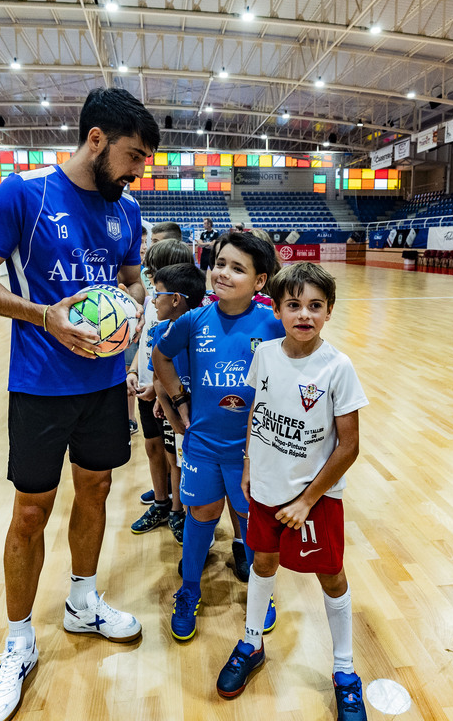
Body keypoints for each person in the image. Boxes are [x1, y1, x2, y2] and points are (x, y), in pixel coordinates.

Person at [0, 87, 159, 721]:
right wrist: (45, 315)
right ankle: (18, 641)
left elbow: (130, 277)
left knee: (95, 492)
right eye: (132, 155)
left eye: (144, 160)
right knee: (30, 511)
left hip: (103, 387)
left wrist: (134, 305)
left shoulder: (125, 212)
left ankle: (82, 601)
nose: (137, 171)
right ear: (95, 139)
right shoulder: (24, 195)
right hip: (40, 386)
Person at [215, 262, 370, 720]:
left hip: (313, 499)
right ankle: (251, 641)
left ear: (329, 311)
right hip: (264, 489)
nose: (305, 314)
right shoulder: (263, 353)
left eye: (315, 306)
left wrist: (306, 500)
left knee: (331, 576)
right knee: (262, 562)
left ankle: (344, 671)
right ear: (278, 309)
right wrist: (247, 462)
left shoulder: (337, 367)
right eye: (294, 305)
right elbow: (256, 411)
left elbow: (350, 446)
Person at [153, 231, 284, 642]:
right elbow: (161, 355)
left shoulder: (273, 322)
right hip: (204, 445)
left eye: (237, 268)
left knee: (249, 519)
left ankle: (261, 593)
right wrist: (177, 398)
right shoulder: (193, 320)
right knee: (202, 515)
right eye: (219, 264)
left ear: (260, 281)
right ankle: (189, 590)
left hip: (252, 449)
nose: (223, 273)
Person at [128, 249, 202, 542]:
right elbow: (151, 357)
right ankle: (166, 505)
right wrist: (137, 373)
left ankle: (185, 513)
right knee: (160, 452)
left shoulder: (196, 327)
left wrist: (169, 402)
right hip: (158, 397)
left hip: (186, 409)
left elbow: (167, 374)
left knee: (185, 465)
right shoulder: (155, 309)